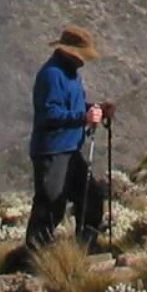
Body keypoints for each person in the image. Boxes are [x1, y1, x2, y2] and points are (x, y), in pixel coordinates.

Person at [27, 34, 111, 248]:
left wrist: (95, 108)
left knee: (91, 196)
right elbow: (49, 113)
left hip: (70, 148)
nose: (83, 61)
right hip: (52, 150)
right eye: (81, 56)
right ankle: (35, 254)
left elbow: (74, 106)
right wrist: (83, 117)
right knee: (51, 203)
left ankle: (86, 247)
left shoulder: (71, 74)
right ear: (68, 52)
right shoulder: (52, 75)